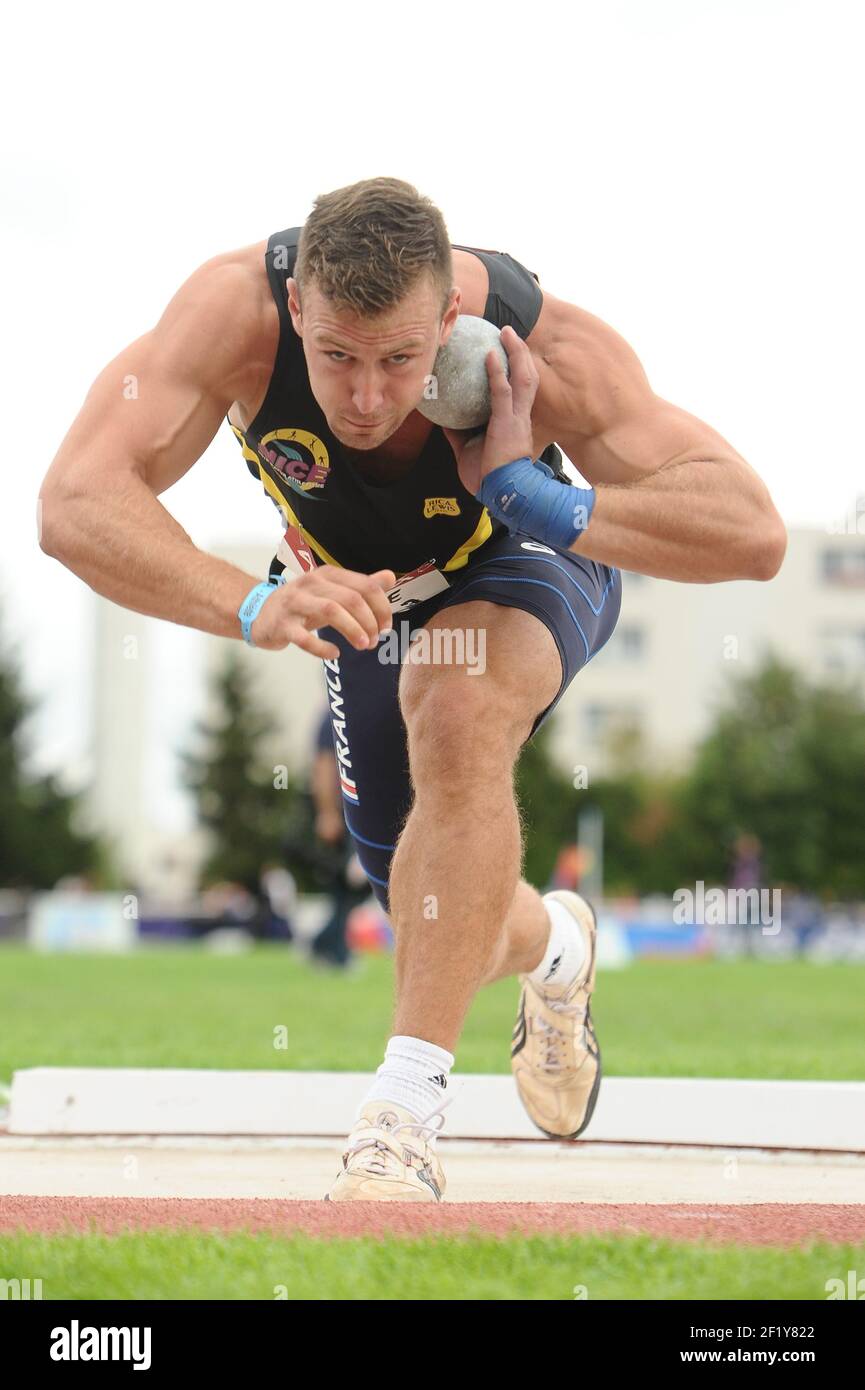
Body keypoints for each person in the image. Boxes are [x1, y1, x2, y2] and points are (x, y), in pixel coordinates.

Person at [39, 176, 787, 1202]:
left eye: (400, 359)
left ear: (448, 320)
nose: (364, 396)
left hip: (521, 554)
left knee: (458, 704)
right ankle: (557, 947)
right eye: (335, 355)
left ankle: (400, 1120)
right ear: (296, 306)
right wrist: (253, 604)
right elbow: (75, 499)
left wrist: (538, 496)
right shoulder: (228, 312)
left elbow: (750, 530)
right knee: (427, 906)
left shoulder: (538, 344)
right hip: (360, 601)